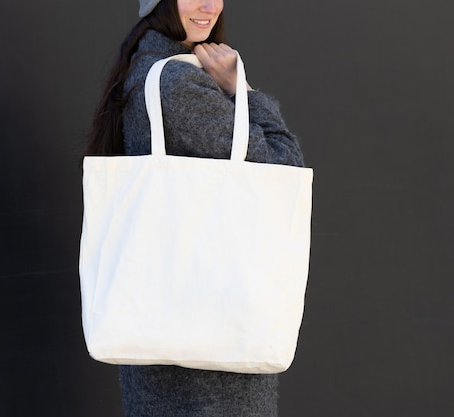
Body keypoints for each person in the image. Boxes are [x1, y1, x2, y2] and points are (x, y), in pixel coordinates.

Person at [84, 0, 305, 415]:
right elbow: (283, 164)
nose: (209, 5)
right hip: (208, 374)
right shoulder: (180, 86)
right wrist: (242, 90)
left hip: (163, 354)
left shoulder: (143, 69)